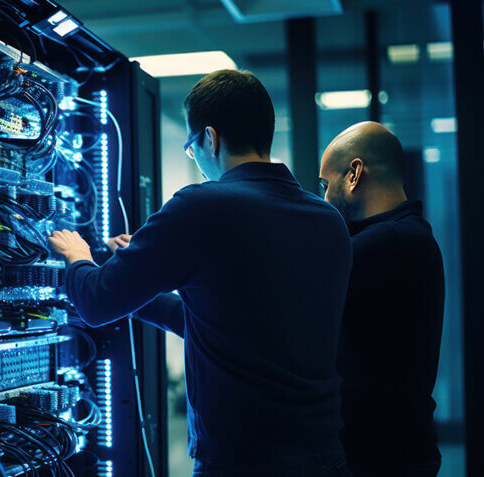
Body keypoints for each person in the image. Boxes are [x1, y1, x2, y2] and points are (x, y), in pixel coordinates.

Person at [48, 69, 353, 476]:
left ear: (209, 137)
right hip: (325, 457)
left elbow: (96, 302)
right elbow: (214, 324)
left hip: (239, 462)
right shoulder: (328, 219)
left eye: (192, 148)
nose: (197, 156)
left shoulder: (202, 205)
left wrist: (79, 258)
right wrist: (137, 276)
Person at [319, 121, 445, 476]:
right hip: (394, 452)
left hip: (382, 459)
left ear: (354, 174)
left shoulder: (388, 243)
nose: (324, 198)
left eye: (325, 184)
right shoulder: (407, 236)